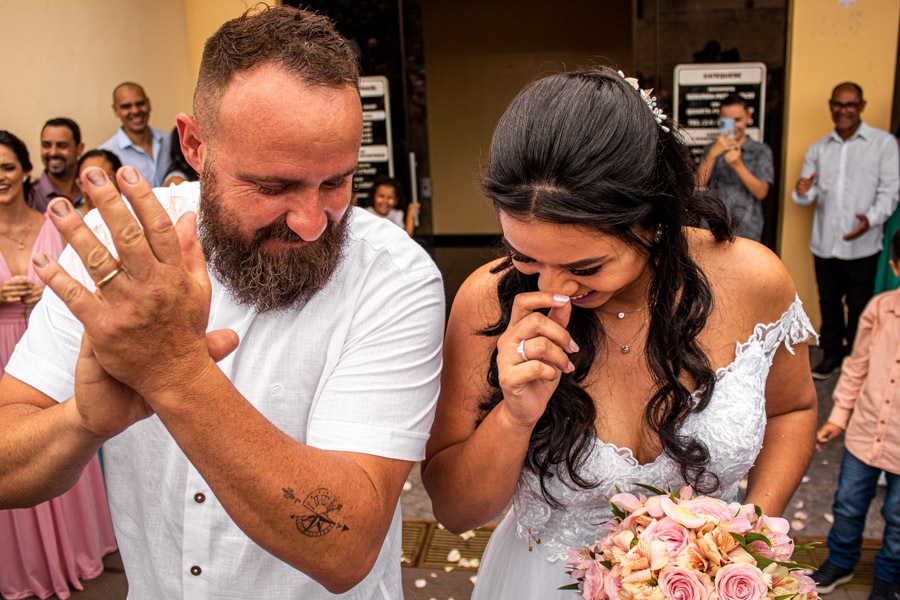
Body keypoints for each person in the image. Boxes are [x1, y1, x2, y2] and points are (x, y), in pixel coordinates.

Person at [0, 6, 443, 600]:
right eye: (273, 186)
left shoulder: (394, 278)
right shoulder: (114, 250)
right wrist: (80, 423)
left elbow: (345, 548)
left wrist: (174, 374)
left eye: (336, 182)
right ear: (194, 145)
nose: (312, 221)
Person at [421, 67, 818, 599]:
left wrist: (739, 542)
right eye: (524, 256)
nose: (555, 288)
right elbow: (454, 511)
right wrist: (515, 416)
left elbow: (792, 409)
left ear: (653, 217)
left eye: (585, 267)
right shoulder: (487, 300)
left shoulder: (754, 279)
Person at [0, 131, 116, 600]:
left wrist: (53, 296)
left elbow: (92, 284)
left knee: (65, 438)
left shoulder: (57, 221)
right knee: (14, 448)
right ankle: (25, 566)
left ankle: (78, 552)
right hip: (2, 350)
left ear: (25, 171)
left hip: (54, 350)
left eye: (6, 167)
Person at [813, 228, 900, 600]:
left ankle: (890, 576)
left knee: (898, 518)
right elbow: (857, 365)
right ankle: (841, 560)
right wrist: (839, 416)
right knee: (847, 504)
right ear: (895, 266)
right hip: (865, 433)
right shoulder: (880, 309)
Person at [793, 82, 900, 380]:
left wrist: (871, 220)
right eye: (838, 104)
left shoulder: (883, 144)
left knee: (859, 305)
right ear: (831, 106)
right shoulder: (818, 148)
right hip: (825, 242)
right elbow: (804, 196)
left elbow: (890, 190)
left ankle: (855, 358)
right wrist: (803, 190)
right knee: (828, 301)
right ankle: (830, 355)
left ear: (861, 106)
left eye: (850, 104)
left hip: (863, 244)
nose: (843, 110)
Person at [696, 94, 773, 241]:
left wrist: (737, 164)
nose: (733, 126)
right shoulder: (711, 149)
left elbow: (761, 192)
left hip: (747, 229)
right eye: (727, 121)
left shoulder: (761, 151)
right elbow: (698, 184)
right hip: (712, 227)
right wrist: (712, 154)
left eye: (738, 120)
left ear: (748, 118)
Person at [99, 81, 171, 187]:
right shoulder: (107, 154)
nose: (135, 111)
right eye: (126, 106)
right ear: (115, 110)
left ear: (148, 103)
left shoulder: (170, 140)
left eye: (140, 103)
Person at [29, 117, 84, 213]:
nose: (53, 153)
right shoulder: (30, 196)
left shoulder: (89, 189)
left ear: (79, 149)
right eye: (46, 145)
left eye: (62, 146)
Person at [75, 149, 123, 216]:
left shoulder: (134, 213)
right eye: (88, 181)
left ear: (119, 180)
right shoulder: (71, 220)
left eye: (102, 180)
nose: (95, 189)